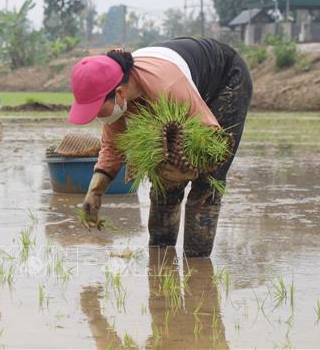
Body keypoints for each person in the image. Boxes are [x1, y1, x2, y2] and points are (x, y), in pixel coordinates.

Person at [68, 37, 252, 257]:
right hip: (179, 89)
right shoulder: (119, 95)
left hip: (224, 78)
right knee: (163, 177)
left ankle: (197, 264)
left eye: (97, 109)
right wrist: (95, 191)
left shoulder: (168, 86)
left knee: (206, 183)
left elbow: (214, 142)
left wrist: (187, 169)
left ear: (119, 93)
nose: (96, 117)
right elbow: (113, 147)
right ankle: (160, 261)